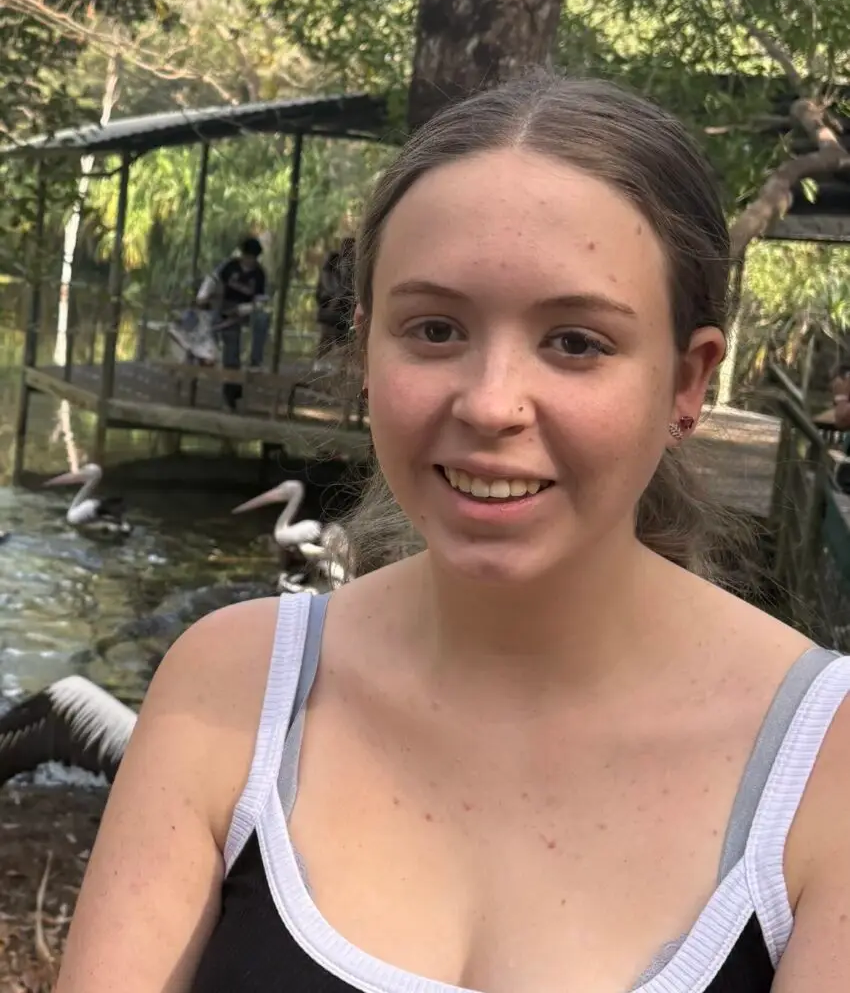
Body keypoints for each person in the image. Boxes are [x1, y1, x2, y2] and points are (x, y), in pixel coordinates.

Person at [55, 74, 850, 993]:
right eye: (434, 329)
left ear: (688, 379)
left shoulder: (823, 763)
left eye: (577, 342)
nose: (490, 404)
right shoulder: (228, 690)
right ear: (366, 348)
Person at [199, 236, 270, 410]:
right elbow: (212, 280)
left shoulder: (259, 274)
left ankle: (255, 361)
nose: (250, 261)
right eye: (247, 256)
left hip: (245, 310)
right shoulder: (229, 266)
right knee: (231, 350)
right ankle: (230, 393)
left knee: (263, 317)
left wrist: (242, 310)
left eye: (253, 258)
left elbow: (260, 302)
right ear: (242, 255)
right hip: (225, 309)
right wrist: (202, 297)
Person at [313, 236, 356, 370]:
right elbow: (327, 282)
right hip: (330, 301)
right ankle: (320, 361)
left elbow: (350, 285)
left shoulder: (354, 265)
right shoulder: (332, 261)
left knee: (343, 337)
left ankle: (339, 366)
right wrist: (333, 298)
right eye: (346, 247)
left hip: (344, 305)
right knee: (326, 333)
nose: (349, 251)